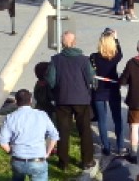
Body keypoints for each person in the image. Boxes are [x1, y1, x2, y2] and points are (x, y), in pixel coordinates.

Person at [46, 31, 96, 173]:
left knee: (62, 130)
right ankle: (87, 161)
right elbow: (91, 78)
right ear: (75, 43)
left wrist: (57, 90)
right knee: (85, 130)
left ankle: (64, 163)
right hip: (82, 99)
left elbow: (51, 80)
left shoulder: (56, 60)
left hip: (63, 99)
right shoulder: (84, 60)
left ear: (62, 44)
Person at [0, 89, 59, 181]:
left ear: (16, 102)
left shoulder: (10, 117)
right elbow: (54, 135)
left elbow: (3, 142)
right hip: (38, 160)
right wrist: (48, 152)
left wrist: (11, 152)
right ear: (30, 100)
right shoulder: (42, 115)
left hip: (18, 160)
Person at [91, 29, 126, 157]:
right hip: (112, 89)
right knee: (117, 118)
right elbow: (120, 52)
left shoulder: (94, 57)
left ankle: (106, 146)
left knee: (102, 120)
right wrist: (116, 39)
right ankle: (120, 146)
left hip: (99, 90)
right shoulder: (116, 57)